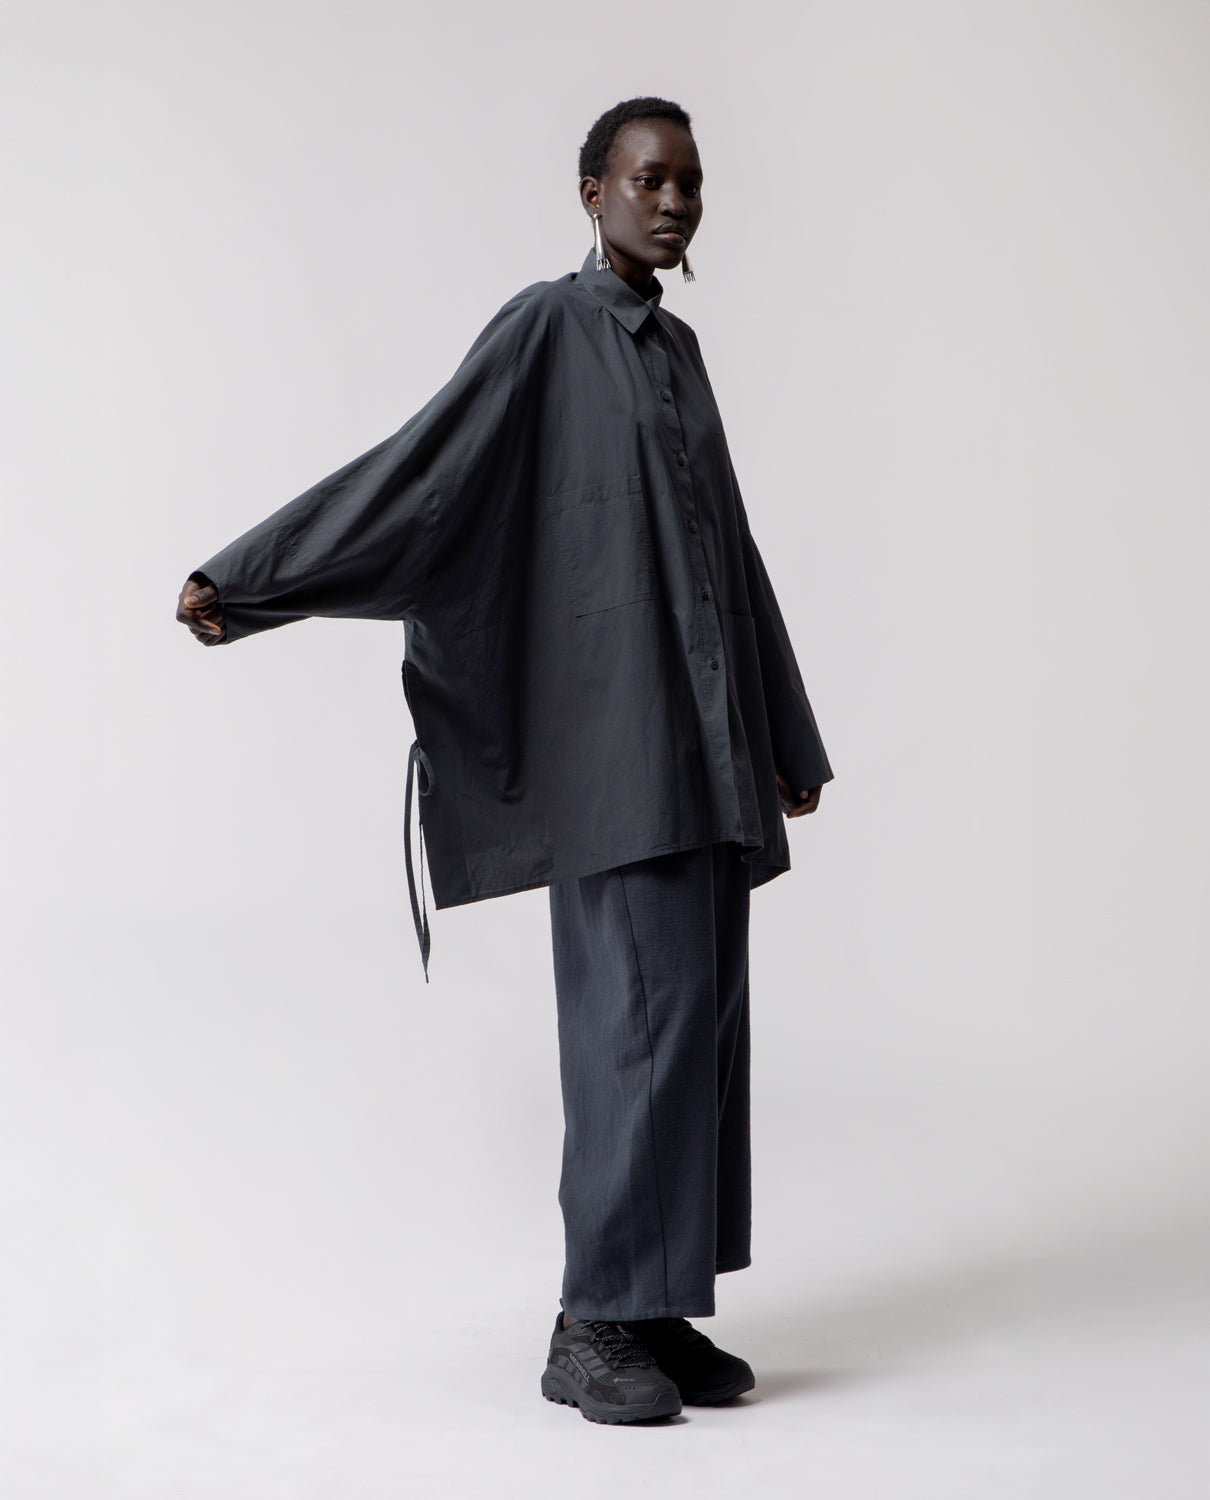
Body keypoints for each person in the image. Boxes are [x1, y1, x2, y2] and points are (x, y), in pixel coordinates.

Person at [177, 95, 834, 1425]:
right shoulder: (546, 329)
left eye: (689, 182)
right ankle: (588, 1325)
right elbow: (421, 476)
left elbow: (731, 547)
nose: (673, 201)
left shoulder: (680, 354)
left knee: (699, 1030)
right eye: (647, 179)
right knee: (635, 1030)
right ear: (593, 192)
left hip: (705, 749)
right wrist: (251, 581)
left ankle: (654, 1306)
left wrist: (783, 730)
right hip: (616, 751)